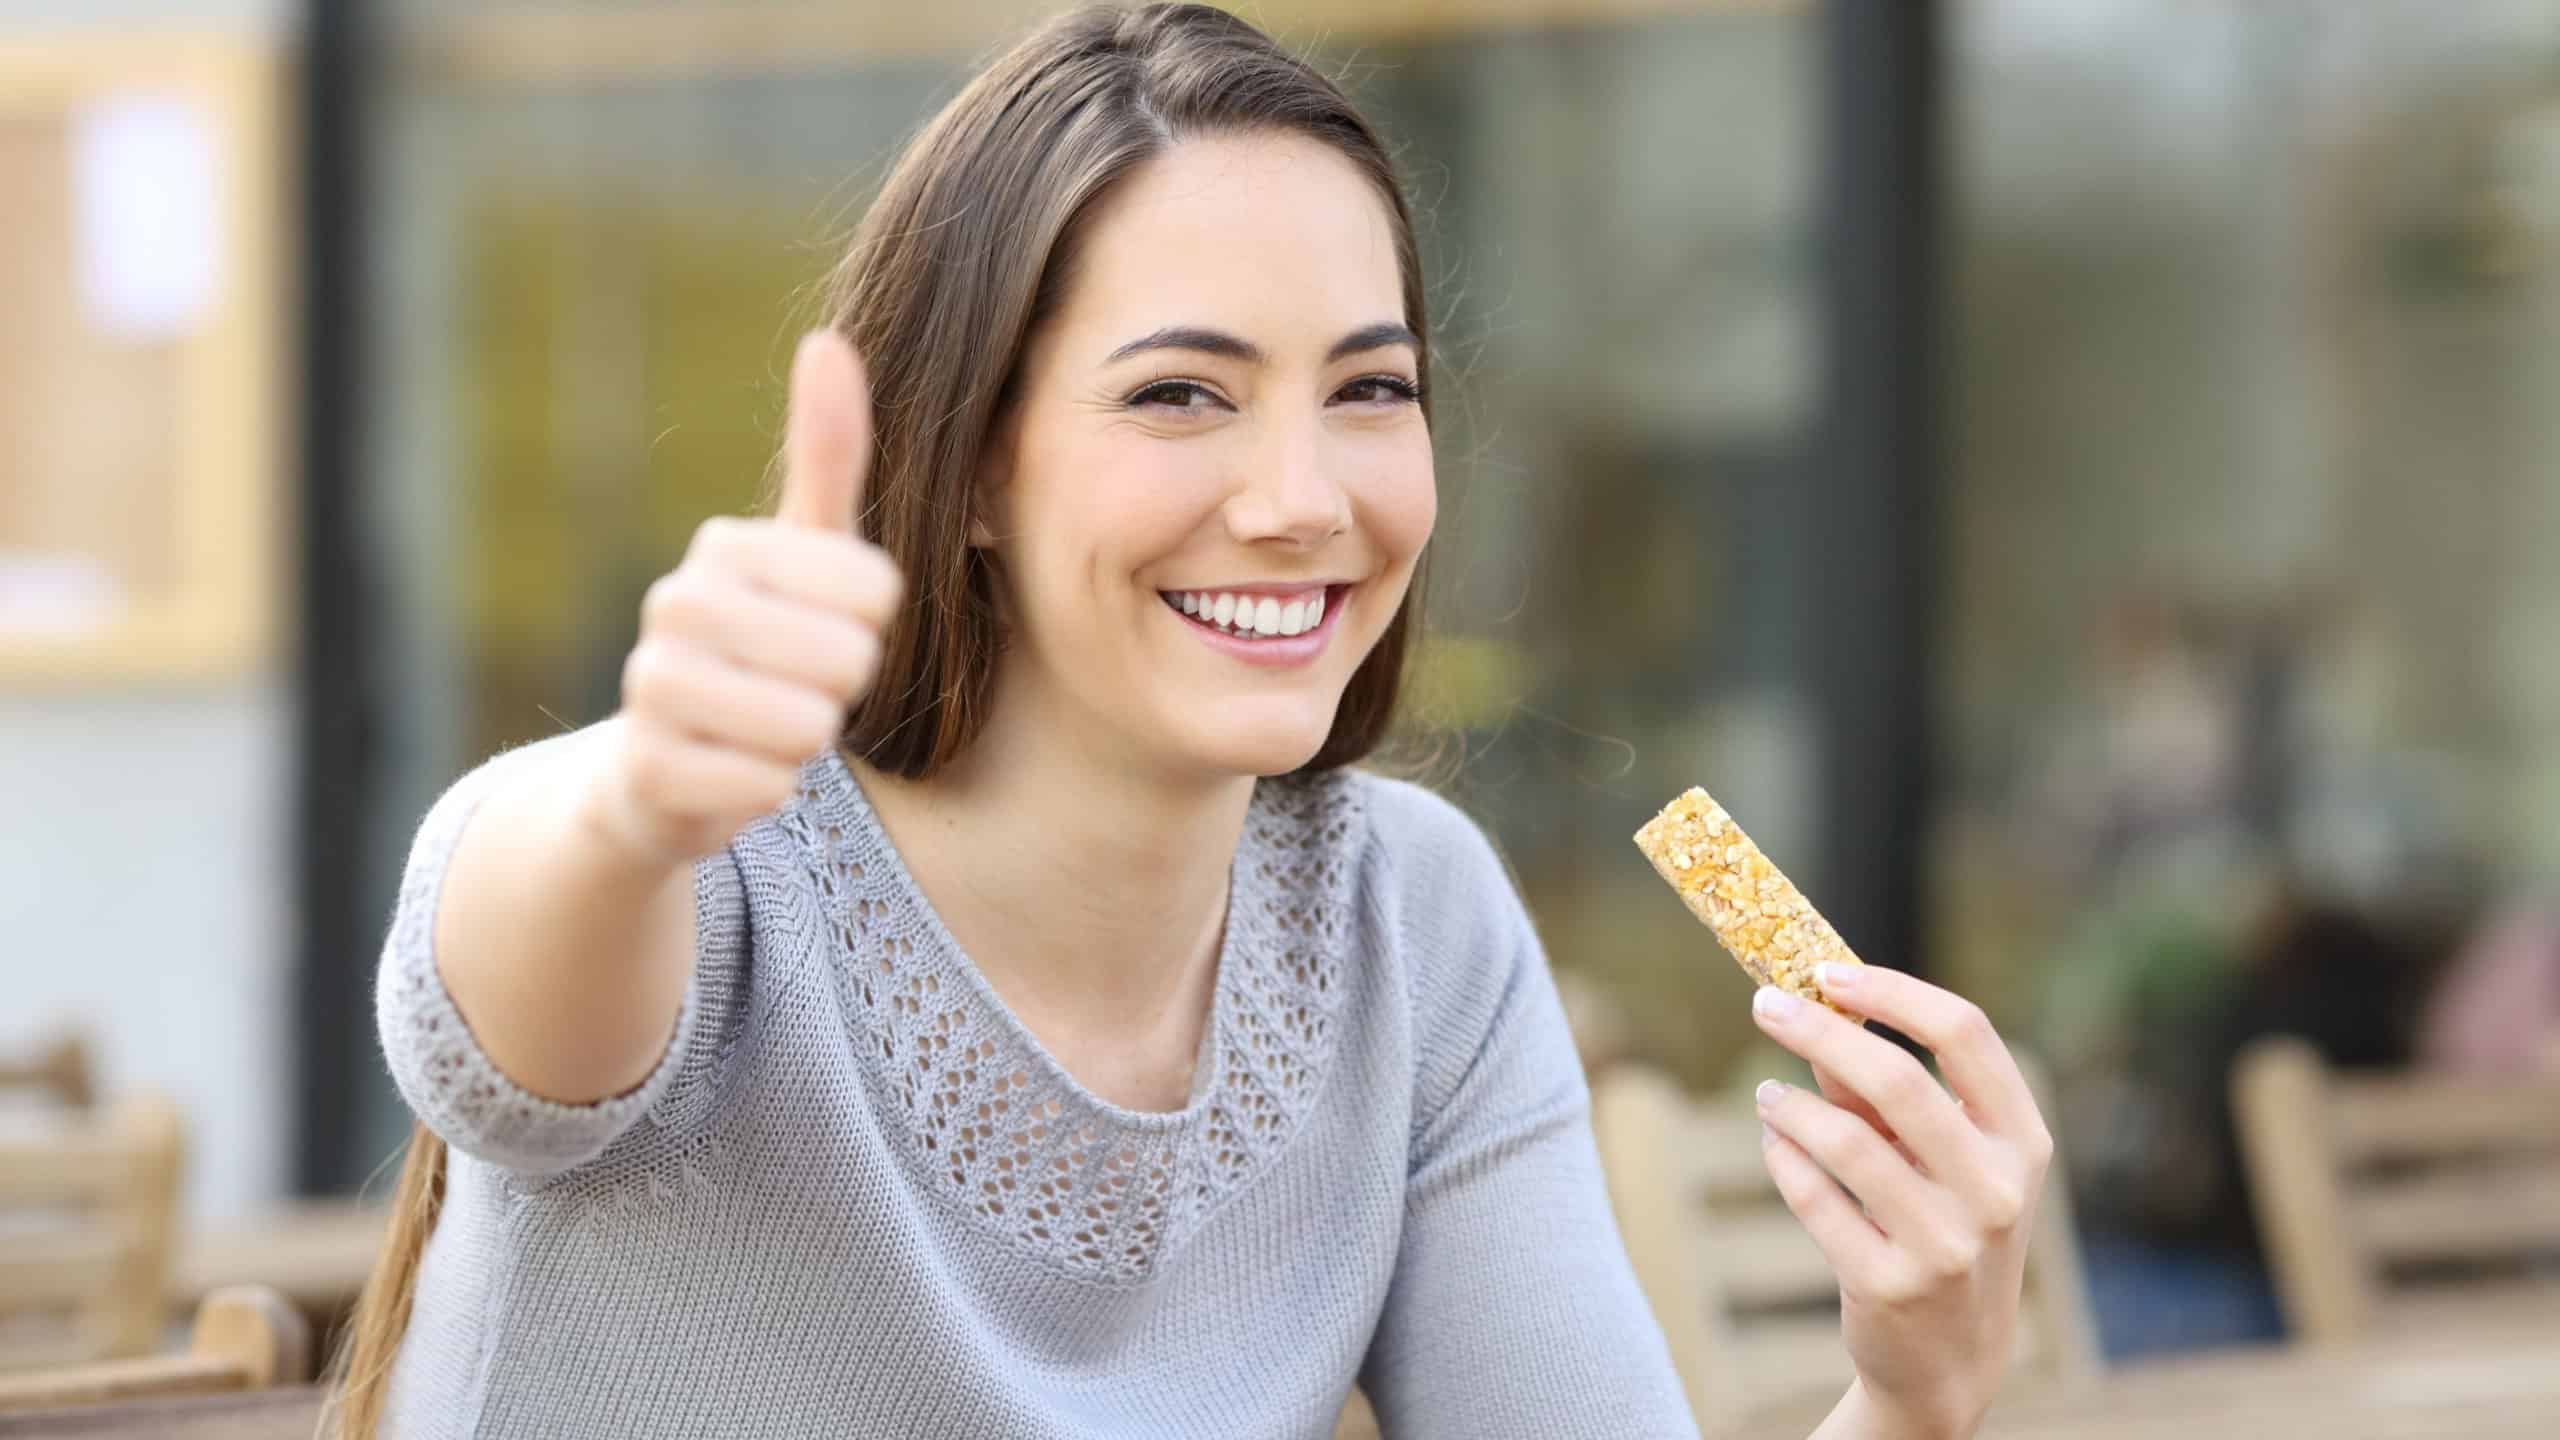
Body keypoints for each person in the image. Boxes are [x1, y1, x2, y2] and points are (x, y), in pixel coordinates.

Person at [336, 6, 2051, 1437]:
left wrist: (1909, 1402)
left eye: (1370, 390)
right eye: (1181, 395)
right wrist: (638, 804)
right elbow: (498, 1014)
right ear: (976, 457)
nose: (1303, 499)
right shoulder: (705, 878)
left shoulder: (1414, 925)